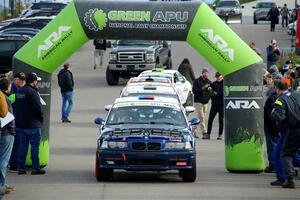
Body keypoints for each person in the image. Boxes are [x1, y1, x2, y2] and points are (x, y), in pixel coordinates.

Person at [271, 80, 300, 188]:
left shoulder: (280, 100)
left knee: (285, 154)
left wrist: (273, 113)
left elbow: (279, 116)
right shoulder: (297, 95)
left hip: (294, 129)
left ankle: (289, 179)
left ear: (277, 89)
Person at [15, 72, 45, 175]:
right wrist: (41, 119)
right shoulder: (33, 92)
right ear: (34, 81)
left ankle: (20, 168)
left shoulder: (20, 91)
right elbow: (37, 108)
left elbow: (17, 107)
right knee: (34, 147)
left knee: (22, 147)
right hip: (33, 125)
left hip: (21, 125)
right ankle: (35, 168)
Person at [0, 79, 16, 196]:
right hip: (6, 133)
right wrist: (12, 131)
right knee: (3, 161)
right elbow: (7, 115)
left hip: (3, 132)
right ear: (7, 87)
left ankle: (3, 184)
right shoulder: (4, 97)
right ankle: (1, 186)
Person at [8, 72, 26, 171]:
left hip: (20, 121)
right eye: (21, 79)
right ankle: (13, 164)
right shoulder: (12, 90)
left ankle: (15, 163)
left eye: (24, 80)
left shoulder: (21, 88)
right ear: (15, 80)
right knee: (15, 144)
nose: (23, 81)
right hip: (14, 121)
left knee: (18, 144)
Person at [263, 78, 279, 173]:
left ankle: (273, 165)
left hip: (271, 126)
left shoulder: (272, 98)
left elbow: (270, 115)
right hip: (281, 127)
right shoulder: (285, 97)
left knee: (272, 145)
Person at [192, 68, 212, 138]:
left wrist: (210, 90)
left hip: (205, 102)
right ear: (202, 73)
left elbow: (211, 92)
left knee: (200, 118)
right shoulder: (197, 81)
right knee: (202, 117)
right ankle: (204, 132)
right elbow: (194, 91)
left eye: (207, 73)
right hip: (198, 101)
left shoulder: (209, 82)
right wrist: (203, 88)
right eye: (205, 73)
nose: (206, 74)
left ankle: (193, 130)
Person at [205, 72, 224, 140]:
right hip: (214, 105)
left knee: (221, 120)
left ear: (221, 76)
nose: (217, 78)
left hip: (221, 105)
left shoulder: (225, 83)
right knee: (210, 119)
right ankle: (208, 134)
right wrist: (209, 88)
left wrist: (217, 93)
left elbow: (224, 92)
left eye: (218, 76)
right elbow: (209, 88)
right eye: (216, 76)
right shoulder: (214, 83)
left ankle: (220, 135)